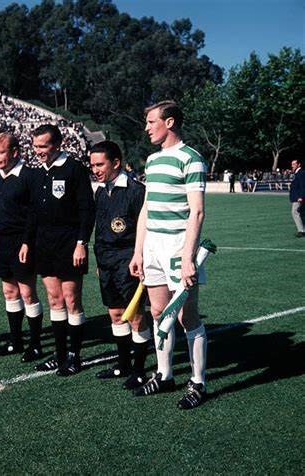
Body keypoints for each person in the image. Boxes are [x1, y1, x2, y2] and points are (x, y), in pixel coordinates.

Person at [129, 100, 208, 409]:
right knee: (159, 313)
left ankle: (198, 382)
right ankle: (164, 375)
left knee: (188, 317)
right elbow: (147, 208)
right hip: (153, 248)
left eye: (151, 122)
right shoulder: (152, 161)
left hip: (179, 247)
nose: (147, 128)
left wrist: (188, 257)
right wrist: (138, 250)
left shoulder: (191, 159)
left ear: (170, 122)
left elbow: (197, 212)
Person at [20, 124, 95, 376]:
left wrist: (81, 243)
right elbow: (32, 212)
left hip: (69, 245)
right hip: (44, 245)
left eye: (43, 146)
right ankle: (60, 353)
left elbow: (87, 210)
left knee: (72, 300)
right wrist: (27, 241)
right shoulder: (36, 174)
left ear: (58, 145)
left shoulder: (74, 169)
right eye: (35, 146)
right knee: (54, 299)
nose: (38, 151)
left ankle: (74, 355)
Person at [90, 141, 151, 390]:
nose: (95, 169)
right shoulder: (100, 192)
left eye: (100, 164)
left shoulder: (136, 191)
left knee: (135, 316)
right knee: (115, 314)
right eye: (92, 164)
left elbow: (144, 228)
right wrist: (100, 262)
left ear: (116, 163)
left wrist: (140, 259)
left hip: (128, 262)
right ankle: (123, 364)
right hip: (106, 262)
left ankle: (139, 370)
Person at [0, 132, 43, 361]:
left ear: (14, 152)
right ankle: (16, 341)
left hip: (22, 242)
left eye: (0, 152)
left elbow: (35, 213)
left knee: (28, 293)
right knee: (9, 292)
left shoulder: (29, 176)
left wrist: (26, 242)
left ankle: (35, 344)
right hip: (1, 241)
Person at [290, 159, 305, 237]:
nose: (292, 165)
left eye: (294, 164)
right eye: (292, 164)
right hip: (296, 197)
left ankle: (301, 231)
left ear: (299, 165)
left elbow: (303, 186)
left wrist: (301, 196)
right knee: (301, 213)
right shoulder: (296, 173)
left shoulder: (301, 173)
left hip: (298, 197)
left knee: (294, 212)